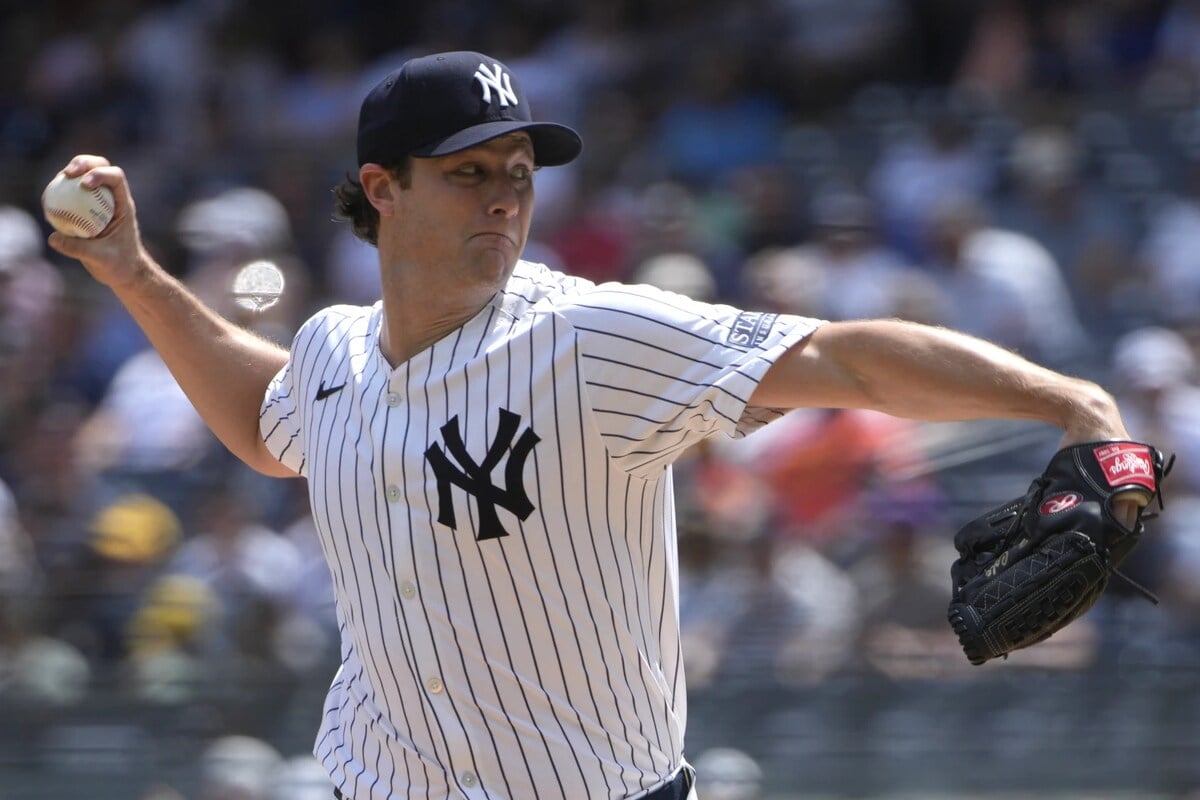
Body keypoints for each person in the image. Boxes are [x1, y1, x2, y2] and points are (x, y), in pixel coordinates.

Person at [48, 50, 1146, 800]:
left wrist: (1071, 403)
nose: (504, 200)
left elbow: (841, 354)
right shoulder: (335, 348)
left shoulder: (592, 337)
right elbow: (263, 416)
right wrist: (133, 272)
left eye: (519, 176)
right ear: (381, 187)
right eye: (469, 172)